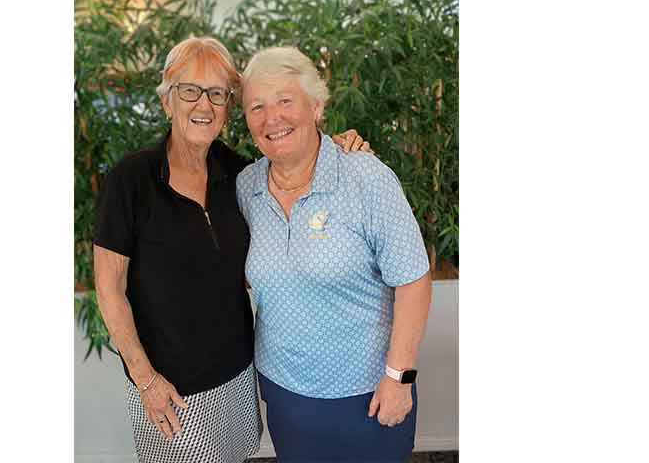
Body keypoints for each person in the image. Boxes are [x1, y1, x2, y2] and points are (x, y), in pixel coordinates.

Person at [92, 36, 370, 463]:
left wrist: (341, 147)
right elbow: (109, 289)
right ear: (167, 101)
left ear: (227, 107)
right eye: (190, 90)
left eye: (217, 94)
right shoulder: (132, 180)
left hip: (237, 376)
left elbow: (297, 163)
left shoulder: (241, 174)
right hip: (169, 387)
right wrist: (145, 380)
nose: (204, 104)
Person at [236, 46, 433, 463]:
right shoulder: (246, 187)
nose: (272, 118)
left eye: (285, 100)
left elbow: (413, 280)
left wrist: (399, 377)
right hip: (285, 391)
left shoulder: (365, 177)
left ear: (316, 106)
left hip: (368, 392)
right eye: (257, 107)